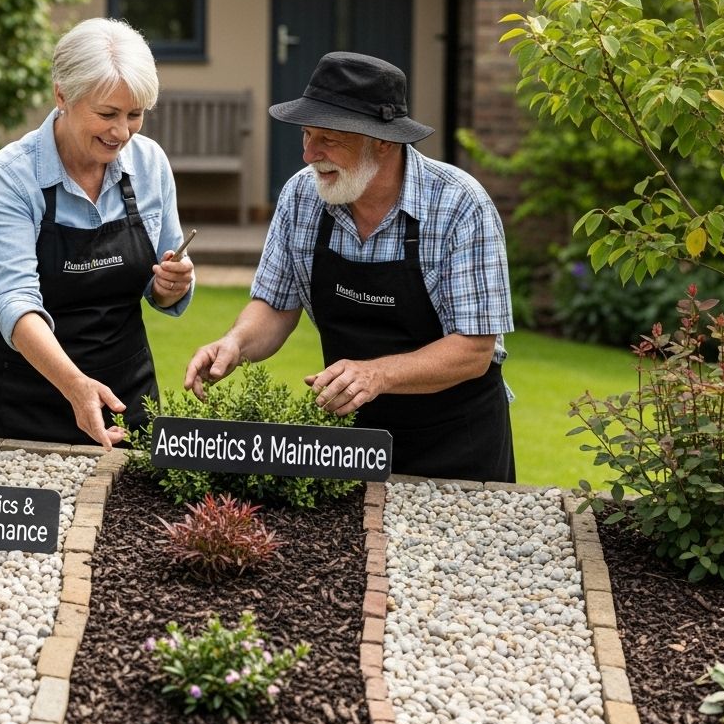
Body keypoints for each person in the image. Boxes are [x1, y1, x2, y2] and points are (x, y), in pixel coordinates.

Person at [184, 52, 515, 483]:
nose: (309, 154)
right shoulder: (302, 196)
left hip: (457, 443)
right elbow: (276, 306)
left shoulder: (459, 205)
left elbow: (474, 350)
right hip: (354, 441)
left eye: (329, 138)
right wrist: (235, 344)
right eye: (306, 134)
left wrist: (376, 373)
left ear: (383, 142)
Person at [0, 18, 194, 450]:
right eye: (106, 114)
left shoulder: (150, 165)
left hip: (123, 394)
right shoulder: (12, 175)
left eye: (134, 115)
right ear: (62, 96)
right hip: (19, 400)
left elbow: (163, 281)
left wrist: (172, 285)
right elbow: (13, 300)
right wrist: (74, 384)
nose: (121, 132)